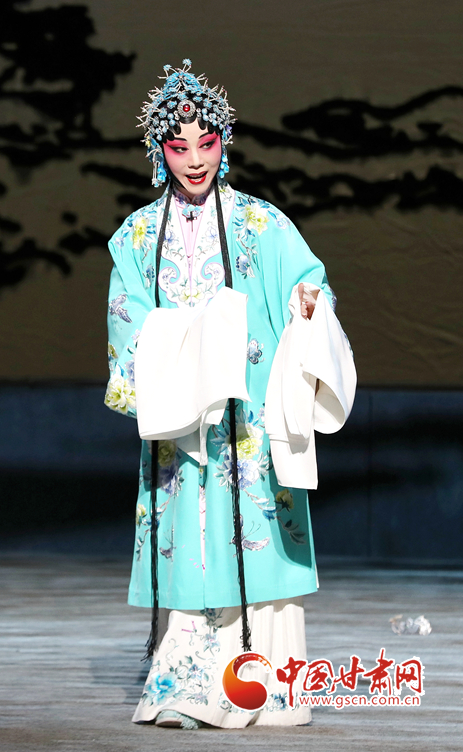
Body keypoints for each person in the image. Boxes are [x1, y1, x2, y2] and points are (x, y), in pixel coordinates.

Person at [104, 60, 354, 729]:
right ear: (158, 151)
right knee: (191, 540)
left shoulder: (261, 224)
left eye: (207, 143)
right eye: (178, 146)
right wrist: (184, 344)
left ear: (225, 143)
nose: (194, 160)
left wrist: (307, 303)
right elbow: (127, 318)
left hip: (249, 422)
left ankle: (266, 686)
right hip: (184, 426)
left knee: (257, 538)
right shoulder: (136, 237)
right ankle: (188, 687)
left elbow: (309, 280)